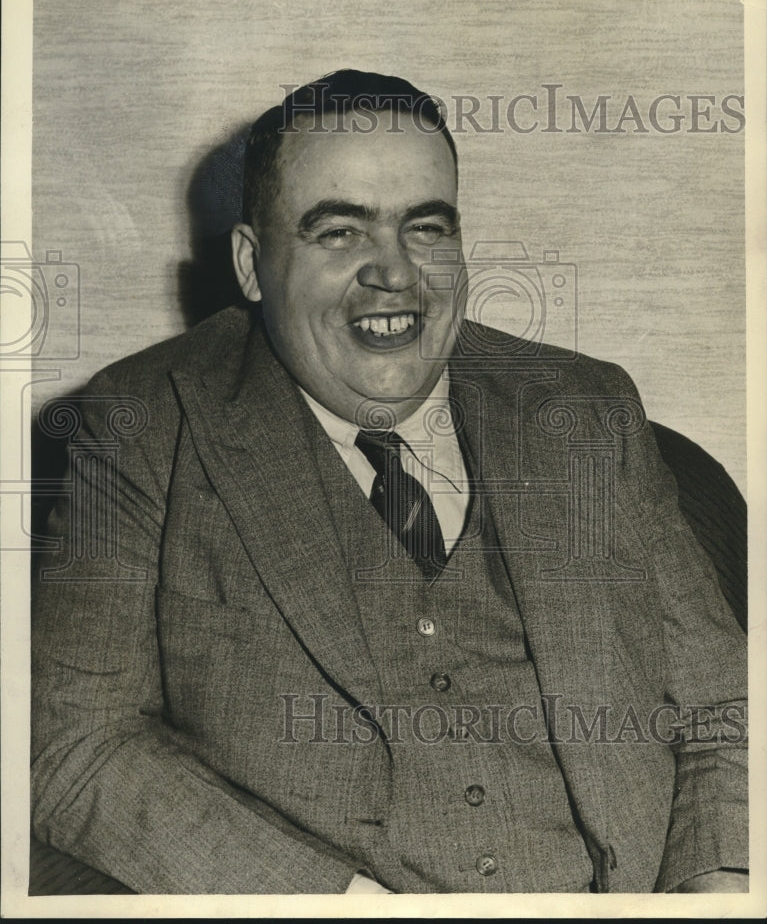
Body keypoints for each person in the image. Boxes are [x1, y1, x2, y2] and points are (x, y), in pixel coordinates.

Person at [31, 70, 748, 895]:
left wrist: (718, 887)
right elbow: (74, 745)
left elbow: (723, 707)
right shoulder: (146, 423)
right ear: (252, 263)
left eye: (427, 227)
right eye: (338, 232)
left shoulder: (584, 411)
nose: (395, 273)